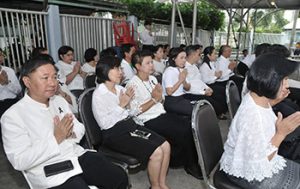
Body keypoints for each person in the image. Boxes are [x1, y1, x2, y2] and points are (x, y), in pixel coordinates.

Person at [1, 54, 128, 189]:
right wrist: (56, 138)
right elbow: (20, 161)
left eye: (55, 77)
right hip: (49, 168)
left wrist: (69, 134)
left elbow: (80, 128)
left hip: (75, 155)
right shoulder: (13, 116)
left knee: (119, 177)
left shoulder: (59, 101)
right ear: (27, 82)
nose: (52, 83)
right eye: (45, 78)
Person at [220, 53, 300, 189]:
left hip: (254, 162)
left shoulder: (257, 98)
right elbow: (257, 164)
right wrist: (281, 133)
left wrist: (276, 101)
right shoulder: (252, 116)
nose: (287, 85)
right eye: (284, 79)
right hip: (246, 173)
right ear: (270, 80)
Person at [92, 55, 171, 189]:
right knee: (157, 152)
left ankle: (162, 184)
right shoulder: (99, 95)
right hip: (113, 134)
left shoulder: (120, 89)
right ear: (105, 71)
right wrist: (122, 106)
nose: (120, 72)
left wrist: (131, 106)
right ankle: (155, 186)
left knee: (166, 146)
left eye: (120, 68)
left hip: (129, 126)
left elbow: (133, 112)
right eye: (116, 69)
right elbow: (104, 124)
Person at [126, 50, 202, 179]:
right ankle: (190, 165)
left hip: (160, 113)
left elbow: (162, 99)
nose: (152, 65)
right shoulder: (132, 85)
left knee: (190, 124)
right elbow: (133, 112)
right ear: (138, 66)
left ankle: (181, 159)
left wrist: (158, 97)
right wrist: (154, 99)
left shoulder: (153, 79)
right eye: (148, 63)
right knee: (183, 130)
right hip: (147, 119)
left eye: (151, 62)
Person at [184, 45, 227, 119]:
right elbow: (188, 87)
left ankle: (219, 113)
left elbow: (200, 81)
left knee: (219, 96)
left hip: (201, 90)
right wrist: (203, 92)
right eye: (199, 55)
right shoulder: (185, 68)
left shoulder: (194, 66)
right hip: (191, 93)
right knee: (214, 102)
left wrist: (207, 88)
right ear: (192, 55)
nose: (200, 57)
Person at [0, 48, 22, 118]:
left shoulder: (9, 71)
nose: (0, 57)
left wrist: (7, 83)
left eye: (1, 55)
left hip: (12, 103)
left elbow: (18, 90)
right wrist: (2, 84)